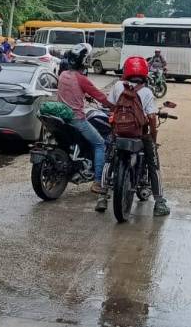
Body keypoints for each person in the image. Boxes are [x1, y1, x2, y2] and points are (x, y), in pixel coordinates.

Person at [100, 55, 169, 216]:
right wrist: (152, 137)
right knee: (153, 163)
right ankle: (159, 202)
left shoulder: (118, 86)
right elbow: (152, 117)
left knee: (108, 159)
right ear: (145, 72)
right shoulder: (146, 91)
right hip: (138, 135)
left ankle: (102, 196)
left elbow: (111, 106)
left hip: (118, 133)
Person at [57, 45, 114, 193]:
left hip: (61, 117)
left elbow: (70, 90)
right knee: (100, 144)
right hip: (76, 119)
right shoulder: (82, 79)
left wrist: (84, 94)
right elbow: (100, 96)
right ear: (84, 61)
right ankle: (97, 183)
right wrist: (113, 106)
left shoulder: (63, 75)